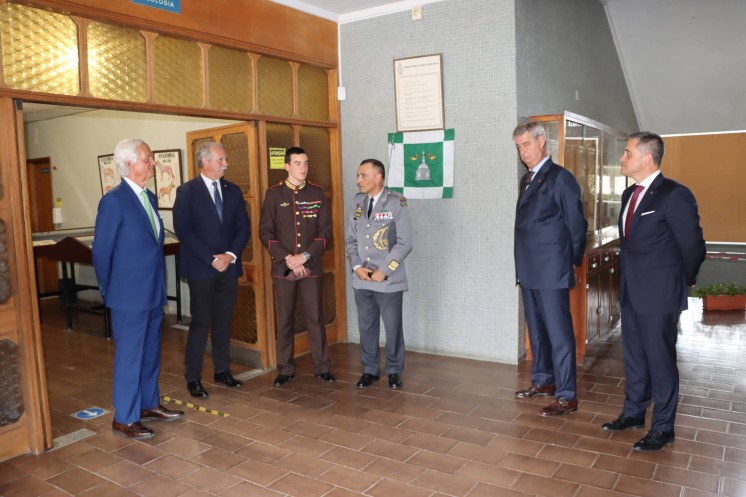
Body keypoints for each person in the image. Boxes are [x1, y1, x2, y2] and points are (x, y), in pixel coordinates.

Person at [601, 131, 705, 451]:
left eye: (628, 152)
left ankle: (663, 427)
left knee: (661, 361)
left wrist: (679, 282)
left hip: (660, 294)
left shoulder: (674, 194)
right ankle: (633, 413)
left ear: (647, 158)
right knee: (633, 357)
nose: (622, 158)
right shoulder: (628, 194)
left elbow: (693, 247)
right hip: (632, 292)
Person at [92, 138, 184, 440]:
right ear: (130, 162)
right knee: (130, 357)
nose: (152, 163)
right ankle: (125, 417)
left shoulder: (149, 197)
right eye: (147, 158)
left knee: (150, 354)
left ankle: (147, 404)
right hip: (128, 296)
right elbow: (101, 252)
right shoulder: (114, 200)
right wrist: (110, 290)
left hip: (153, 291)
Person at [512, 121, 588, 416]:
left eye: (527, 145)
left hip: (551, 269)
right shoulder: (527, 179)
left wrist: (571, 261)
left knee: (559, 334)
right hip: (529, 269)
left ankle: (567, 395)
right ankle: (544, 381)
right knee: (537, 331)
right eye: (519, 147)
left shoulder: (560, 178)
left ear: (542, 141)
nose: (523, 152)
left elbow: (576, 225)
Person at [173, 141, 251, 398]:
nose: (226, 164)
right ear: (205, 162)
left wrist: (229, 256)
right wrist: (211, 258)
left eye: (225, 159)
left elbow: (243, 227)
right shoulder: (187, 192)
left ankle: (222, 370)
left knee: (223, 322)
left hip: (228, 268)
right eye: (221, 160)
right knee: (200, 322)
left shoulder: (233, 191)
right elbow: (184, 230)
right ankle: (193, 377)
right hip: (201, 269)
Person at [259, 147, 334, 386]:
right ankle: (285, 368)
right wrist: (288, 258)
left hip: (311, 266)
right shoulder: (274, 194)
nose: (303, 168)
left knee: (315, 317)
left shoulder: (317, 192)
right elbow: (265, 232)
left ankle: (322, 366)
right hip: (283, 268)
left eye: (306, 163)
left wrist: (304, 257)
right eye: (298, 163)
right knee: (285, 320)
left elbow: (325, 233)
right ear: (287, 166)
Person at [345, 159, 413, 389]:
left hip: (388, 279)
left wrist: (384, 270)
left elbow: (405, 243)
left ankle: (394, 370)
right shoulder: (357, 201)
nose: (358, 180)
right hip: (362, 277)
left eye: (363, 175)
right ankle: (370, 369)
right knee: (366, 325)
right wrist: (356, 267)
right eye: (358, 175)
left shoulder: (396, 202)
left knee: (393, 327)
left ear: (378, 177)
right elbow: (351, 238)